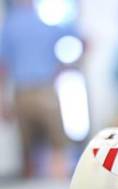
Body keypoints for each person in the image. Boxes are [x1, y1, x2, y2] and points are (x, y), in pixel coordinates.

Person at [0, 0, 77, 178]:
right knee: (58, 145)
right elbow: (80, 40)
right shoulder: (46, 24)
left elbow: (2, 68)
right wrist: (63, 68)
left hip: (22, 93)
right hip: (45, 90)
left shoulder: (9, 26)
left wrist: (2, 102)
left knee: (27, 150)